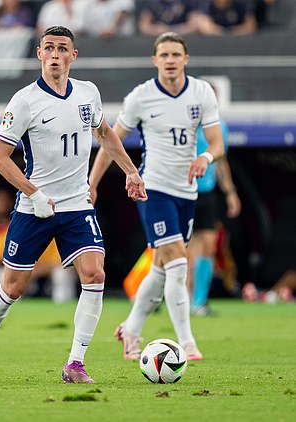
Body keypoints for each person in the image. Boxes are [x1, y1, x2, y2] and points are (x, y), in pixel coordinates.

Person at [0, 25, 146, 384]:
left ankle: (75, 364)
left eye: (63, 48)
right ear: (39, 54)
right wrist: (33, 194)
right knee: (12, 289)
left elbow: (105, 134)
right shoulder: (25, 101)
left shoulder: (88, 94)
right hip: (35, 208)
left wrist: (130, 172)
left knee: (95, 275)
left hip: (77, 204)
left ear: (73, 56)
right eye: (49, 48)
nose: (56, 54)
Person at [89, 32, 225, 362]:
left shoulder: (202, 92)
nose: (170, 60)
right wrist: (91, 182)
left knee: (163, 268)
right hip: (154, 190)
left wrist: (205, 158)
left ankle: (130, 329)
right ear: (155, 60)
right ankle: (188, 343)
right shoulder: (141, 97)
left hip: (187, 192)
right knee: (178, 262)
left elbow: (218, 143)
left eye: (176, 54)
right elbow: (110, 140)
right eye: (163, 55)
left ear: (185, 59)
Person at [187, 95, 241, 316]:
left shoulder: (221, 128)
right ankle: (184, 299)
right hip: (185, 192)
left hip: (208, 194)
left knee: (209, 246)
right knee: (187, 249)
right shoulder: (185, 125)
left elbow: (221, 162)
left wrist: (231, 193)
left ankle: (199, 301)